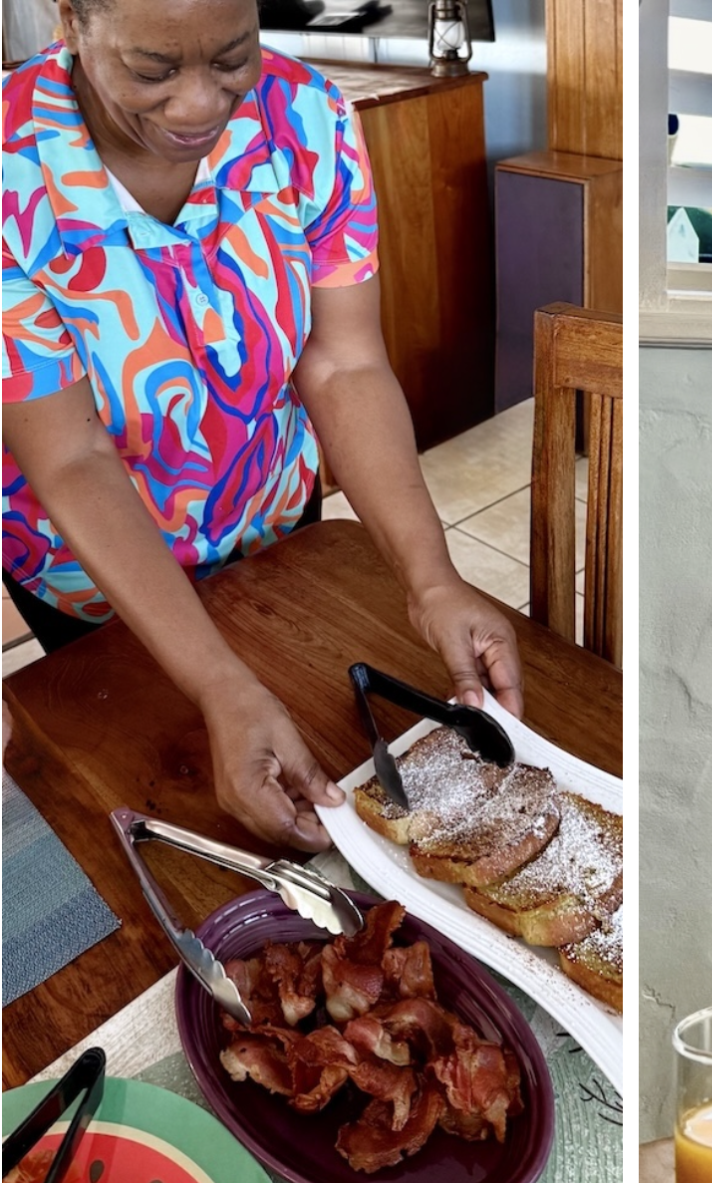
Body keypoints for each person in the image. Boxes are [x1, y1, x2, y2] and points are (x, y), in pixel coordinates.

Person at [2, 0, 522, 852]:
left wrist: (431, 579)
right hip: (92, 575)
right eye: (153, 71)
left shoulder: (307, 118)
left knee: (313, 784)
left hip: (277, 539)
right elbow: (70, 453)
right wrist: (215, 683)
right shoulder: (9, 168)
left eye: (232, 57)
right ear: (71, 21)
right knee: (160, 808)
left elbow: (343, 364)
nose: (202, 104)